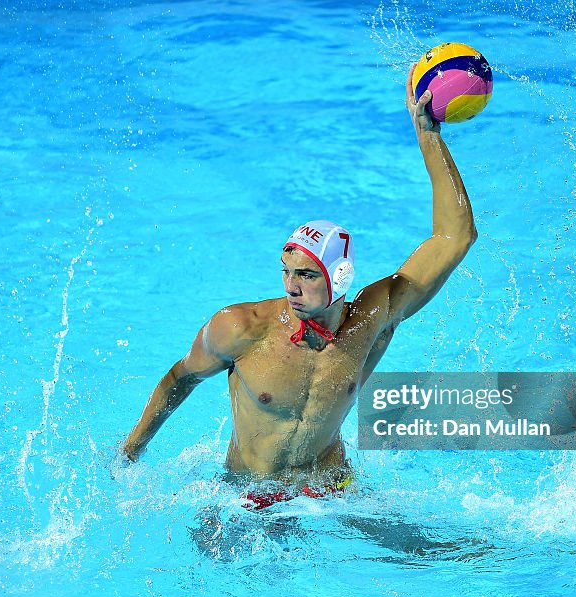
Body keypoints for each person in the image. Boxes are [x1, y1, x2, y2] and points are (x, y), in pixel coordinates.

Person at [122, 66, 477, 509]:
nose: (291, 286)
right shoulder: (243, 327)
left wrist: (428, 137)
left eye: (306, 275)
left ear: (340, 278)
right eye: (286, 272)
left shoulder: (372, 317)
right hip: (250, 493)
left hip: (332, 489)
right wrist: (133, 447)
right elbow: (181, 377)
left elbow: (454, 237)